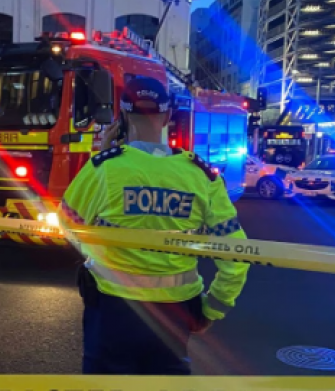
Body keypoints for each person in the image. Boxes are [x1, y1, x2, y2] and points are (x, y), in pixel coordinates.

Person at [59, 76, 250, 375]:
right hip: (177, 312)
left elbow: (68, 225)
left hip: (113, 309)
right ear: (169, 117)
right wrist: (212, 308)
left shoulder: (104, 169)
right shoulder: (201, 176)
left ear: (121, 117)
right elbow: (237, 257)